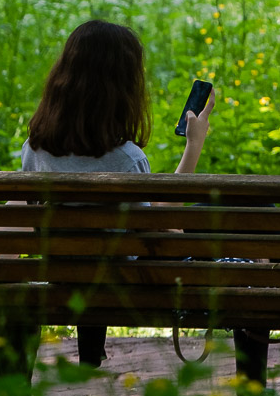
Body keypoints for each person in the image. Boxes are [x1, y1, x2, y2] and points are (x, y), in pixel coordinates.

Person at [21, 20, 212, 366]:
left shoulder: (34, 149)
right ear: (123, 87)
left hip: (61, 272)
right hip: (119, 280)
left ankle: (90, 355)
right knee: (208, 213)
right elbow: (158, 229)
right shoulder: (127, 159)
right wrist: (194, 145)